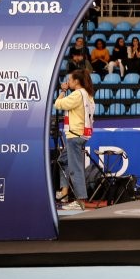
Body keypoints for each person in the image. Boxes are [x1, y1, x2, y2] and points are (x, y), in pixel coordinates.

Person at [53, 69, 95, 211]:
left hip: (74, 135)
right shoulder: (87, 94)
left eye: (70, 80)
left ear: (76, 81)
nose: (68, 82)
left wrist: (63, 91)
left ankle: (80, 200)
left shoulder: (77, 94)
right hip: (82, 134)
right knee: (62, 161)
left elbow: (58, 104)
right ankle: (64, 192)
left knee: (75, 168)